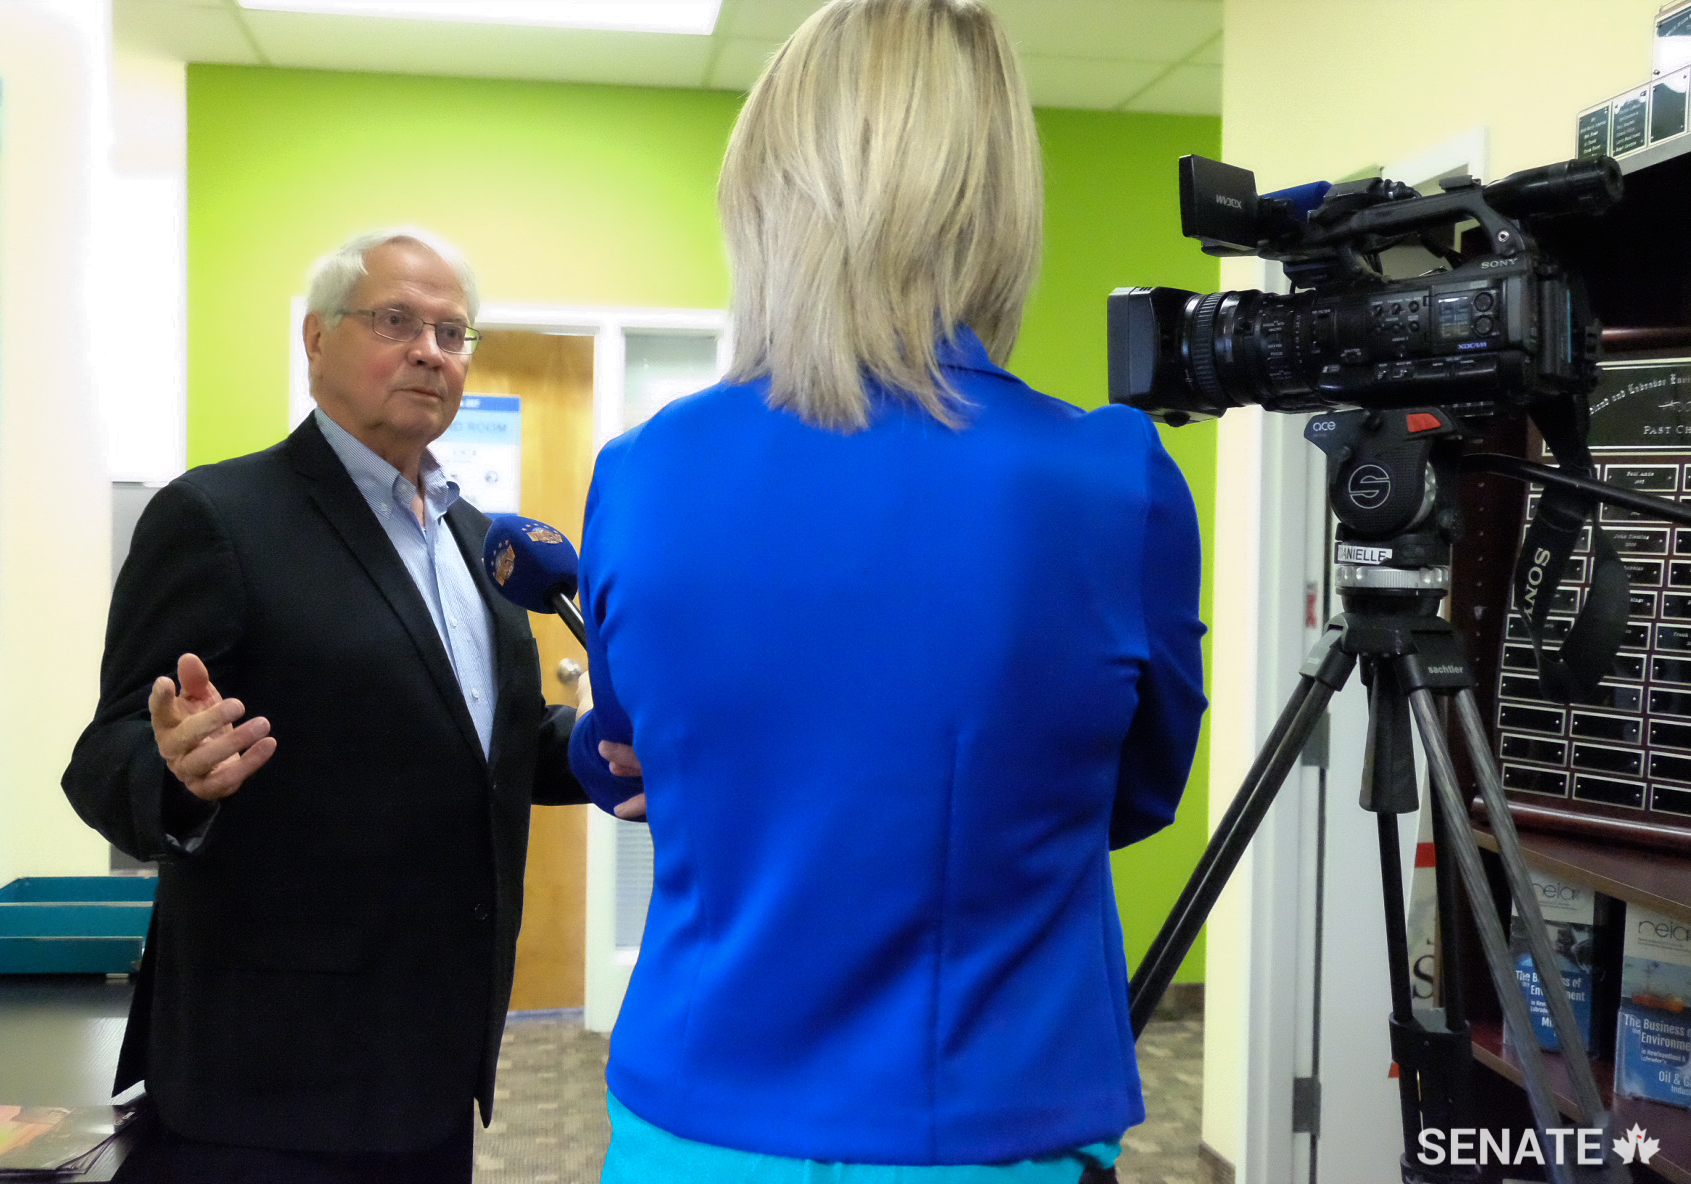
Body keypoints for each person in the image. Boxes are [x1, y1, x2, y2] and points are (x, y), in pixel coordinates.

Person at [566, 1, 1208, 1181]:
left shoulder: (641, 473)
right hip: (980, 1123)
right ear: (997, 204)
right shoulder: (1113, 484)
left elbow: (622, 754)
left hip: (692, 1128)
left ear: (763, 195)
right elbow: (1131, 795)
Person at [62, 227, 585, 1183]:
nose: (430, 350)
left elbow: (487, 744)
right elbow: (105, 754)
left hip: (434, 1058)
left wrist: (599, 750)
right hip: (269, 1082)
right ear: (315, 340)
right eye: (396, 321)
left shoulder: (475, 538)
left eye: (453, 332)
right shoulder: (218, 518)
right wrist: (179, 774)